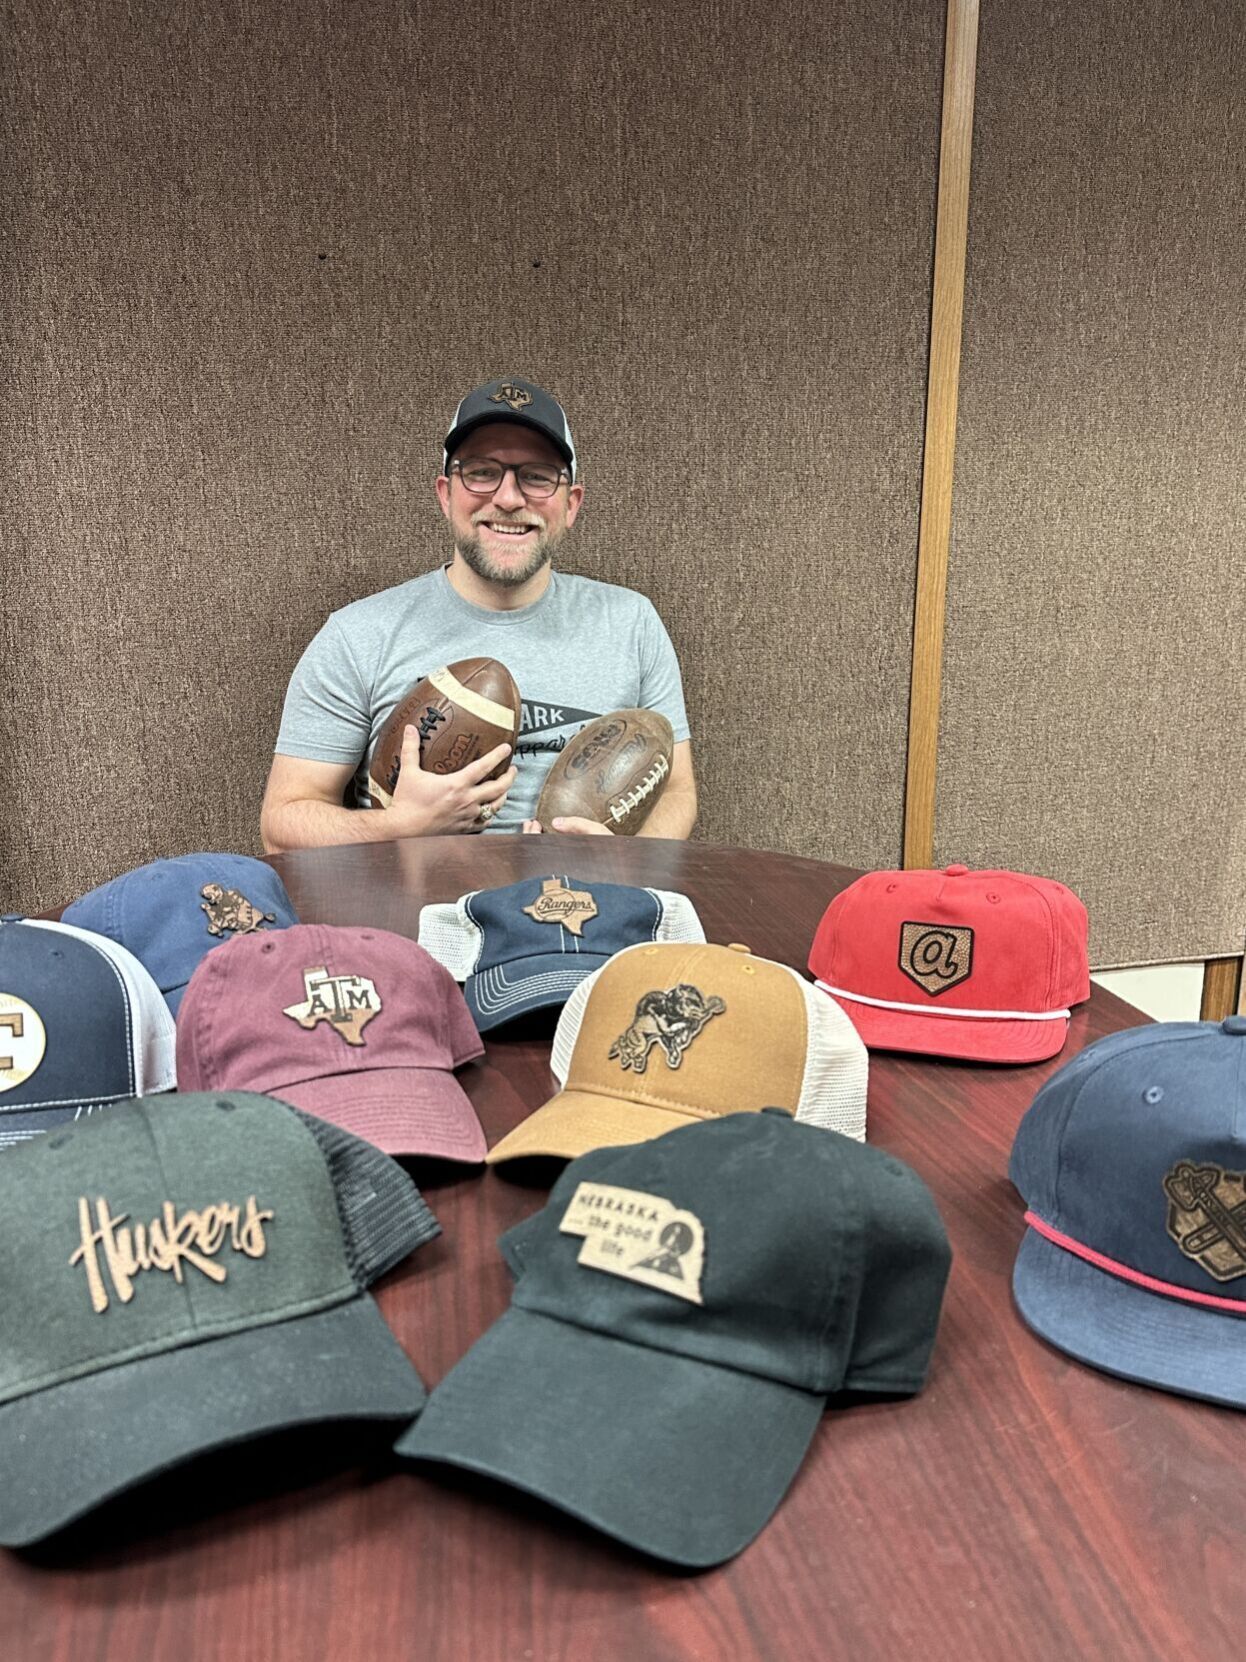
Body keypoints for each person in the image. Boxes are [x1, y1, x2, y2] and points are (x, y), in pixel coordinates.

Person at [261, 378, 696, 851]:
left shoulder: (631, 623)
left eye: (537, 475)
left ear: (571, 504)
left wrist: (627, 860)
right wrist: (397, 827)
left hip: (586, 910)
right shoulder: (357, 635)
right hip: (413, 916)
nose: (508, 498)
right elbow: (281, 828)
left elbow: (677, 791)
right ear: (446, 494)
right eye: (482, 472)